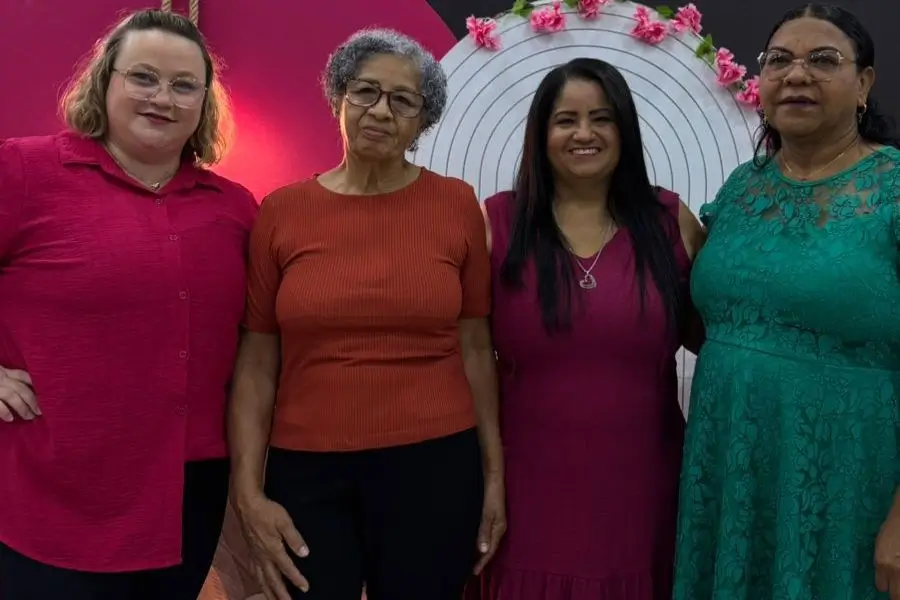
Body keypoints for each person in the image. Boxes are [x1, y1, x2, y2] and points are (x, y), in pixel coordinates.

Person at [227, 28, 505, 600]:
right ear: (339, 98)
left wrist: (494, 478)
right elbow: (257, 360)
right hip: (305, 469)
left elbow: (477, 347)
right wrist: (247, 492)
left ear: (422, 120)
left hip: (434, 465)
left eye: (403, 100)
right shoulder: (281, 212)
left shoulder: (456, 204)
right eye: (365, 92)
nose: (380, 110)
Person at [0, 9, 258, 600]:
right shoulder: (23, 170)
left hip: (186, 499)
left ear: (204, 102)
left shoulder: (236, 208)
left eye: (183, 84)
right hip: (52, 500)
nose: (161, 97)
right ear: (105, 81)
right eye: (142, 76)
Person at [673, 5, 900, 599]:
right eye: (779, 60)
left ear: (865, 85)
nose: (796, 74)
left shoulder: (895, 190)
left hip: (852, 475)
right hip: (728, 468)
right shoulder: (743, 186)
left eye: (823, 60)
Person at [476, 57, 703, 599]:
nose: (584, 134)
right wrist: (487, 476)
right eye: (565, 120)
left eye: (602, 118)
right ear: (541, 132)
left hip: (644, 482)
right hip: (526, 482)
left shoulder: (671, 221)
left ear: (624, 130)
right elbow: (467, 356)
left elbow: (720, 337)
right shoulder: (495, 222)